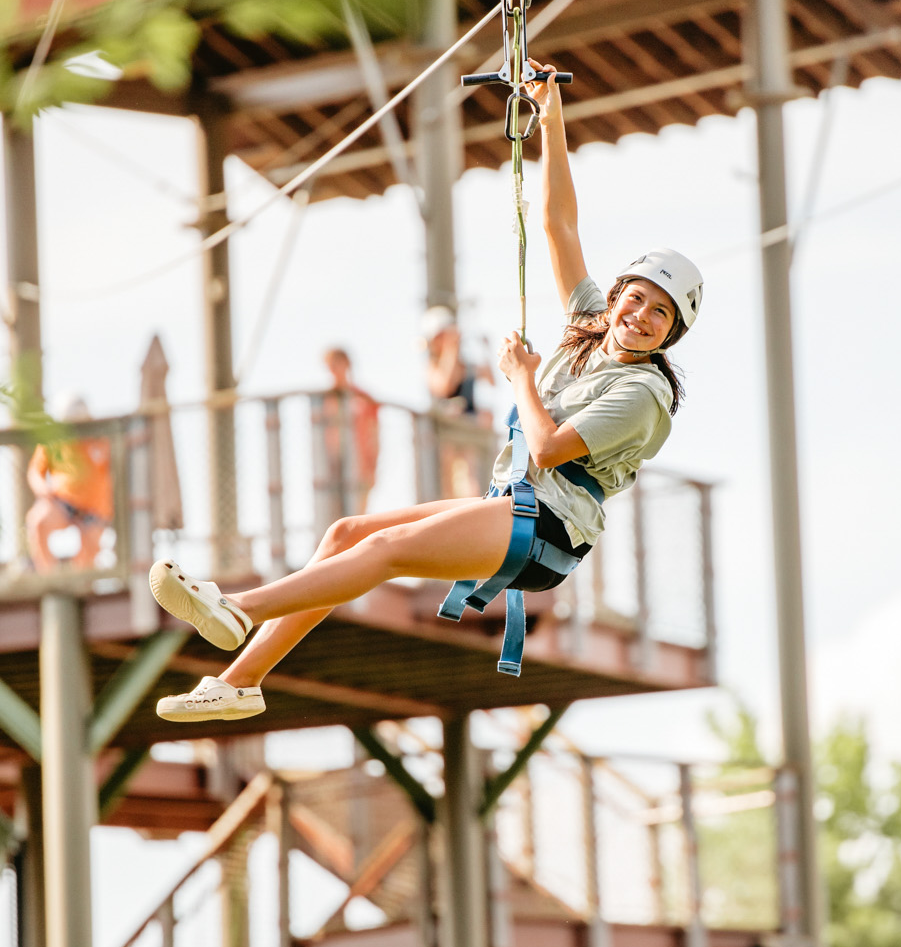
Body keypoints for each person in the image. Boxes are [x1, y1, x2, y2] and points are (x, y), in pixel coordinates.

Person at [149, 61, 702, 721]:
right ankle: (241, 681)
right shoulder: (588, 328)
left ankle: (236, 607)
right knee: (348, 530)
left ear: (670, 334)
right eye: (636, 299)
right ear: (616, 298)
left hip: (548, 531)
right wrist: (549, 118)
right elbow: (559, 227)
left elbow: (550, 449)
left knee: (383, 553)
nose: (640, 315)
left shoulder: (644, 394)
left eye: (659, 314)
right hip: (517, 505)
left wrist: (523, 379)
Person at [25, 397, 114, 571]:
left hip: (94, 509)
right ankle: (48, 577)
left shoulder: (101, 440)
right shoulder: (52, 440)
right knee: (37, 521)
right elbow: (35, 471)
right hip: (62, 502)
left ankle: (82, 586)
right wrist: (43, 488)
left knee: (89, 554)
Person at [422, 305, 494, 498]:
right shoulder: (433, 366)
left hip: (470, 436)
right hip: (448, 439)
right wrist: (451, 348)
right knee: (452, 488)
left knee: (471, 483)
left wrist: (485, 349)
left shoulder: (467, 364)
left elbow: (491, 380)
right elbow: (444, 384)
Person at [321, 346, 381, 516]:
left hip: (359, 462)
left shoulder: (363, 398)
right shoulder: (324, 399)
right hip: (333, 464)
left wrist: (372, 463)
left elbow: (374, 431)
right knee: (335, 512)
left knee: (358, 512)